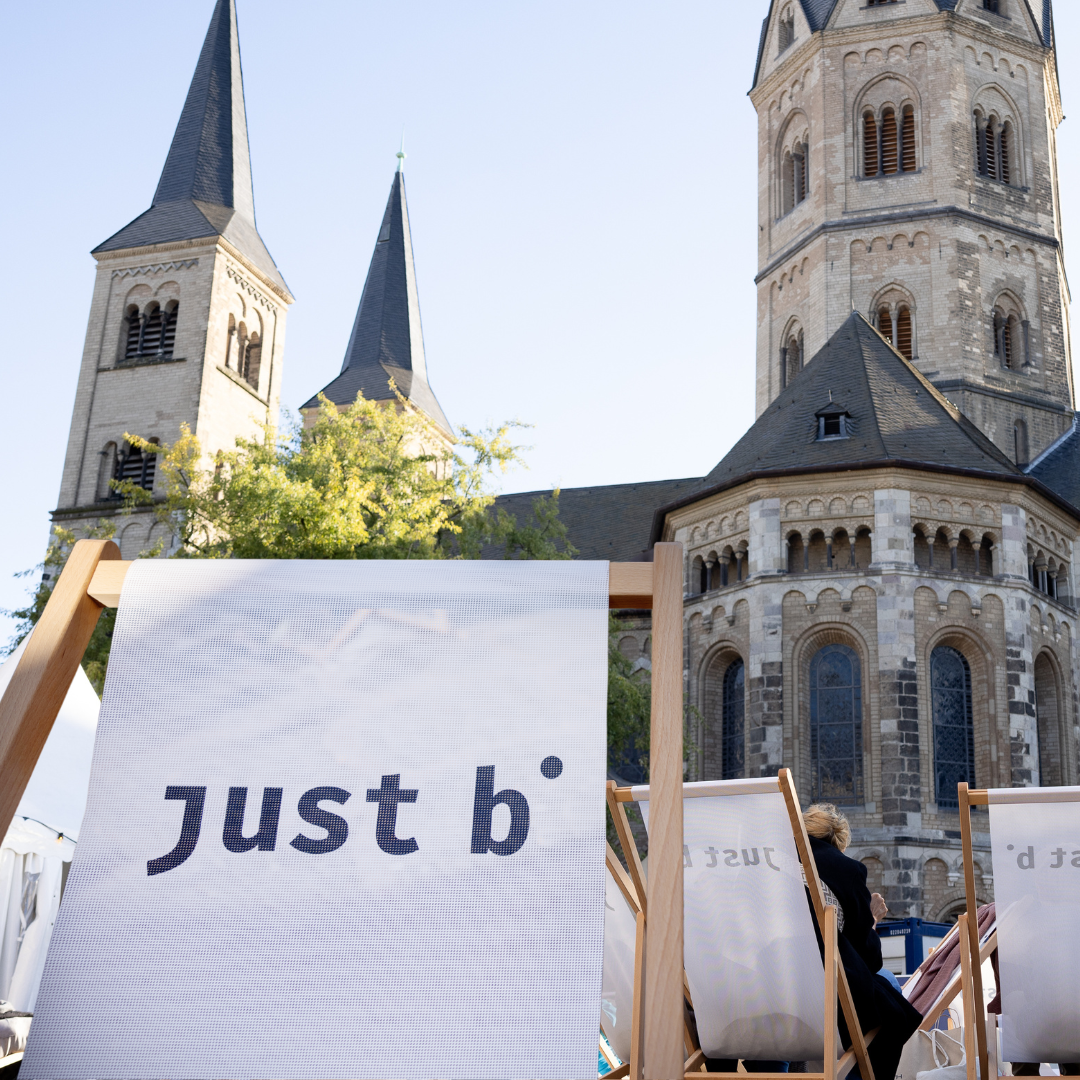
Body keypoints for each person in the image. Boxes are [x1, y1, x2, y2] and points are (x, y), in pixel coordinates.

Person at [803, 803, 922, 1080]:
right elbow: (868, 960)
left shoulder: (765, 864)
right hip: (823, 999)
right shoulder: (843, 869)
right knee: (890, 997)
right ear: (838, 840)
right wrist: (871, 919)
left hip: (754, 998)